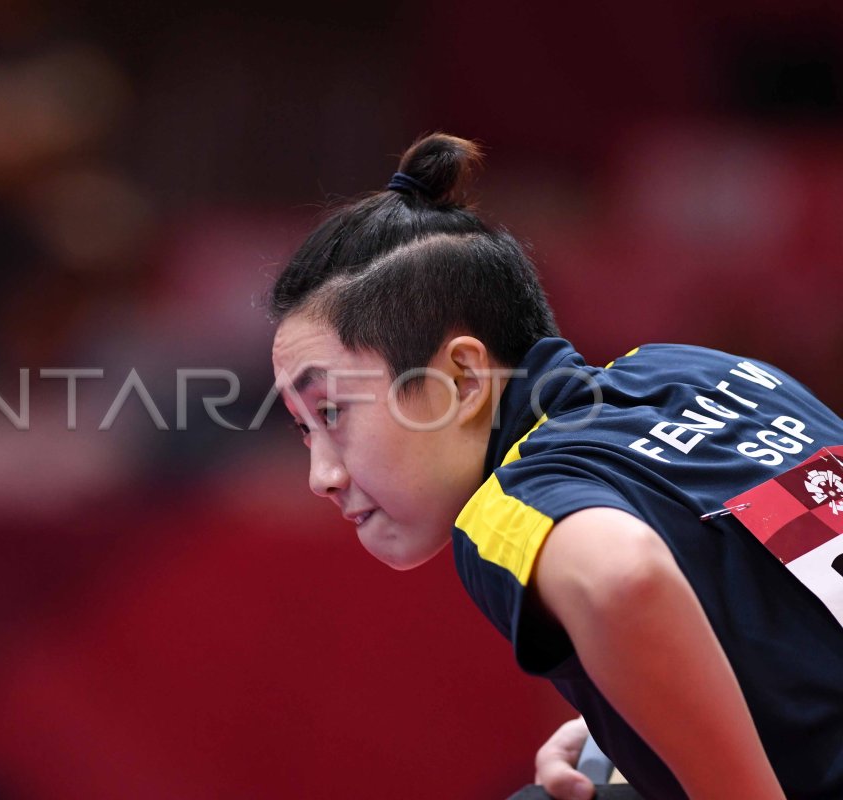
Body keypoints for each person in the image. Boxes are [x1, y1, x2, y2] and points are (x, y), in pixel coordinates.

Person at [267, 133, 843, 799]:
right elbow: (774, 600)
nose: (322, 476)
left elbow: (623, 579)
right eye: (305, 430)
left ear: (461, 377)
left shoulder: (513, 505)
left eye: (333, 412)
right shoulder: (703, 372)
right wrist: (623, 720)